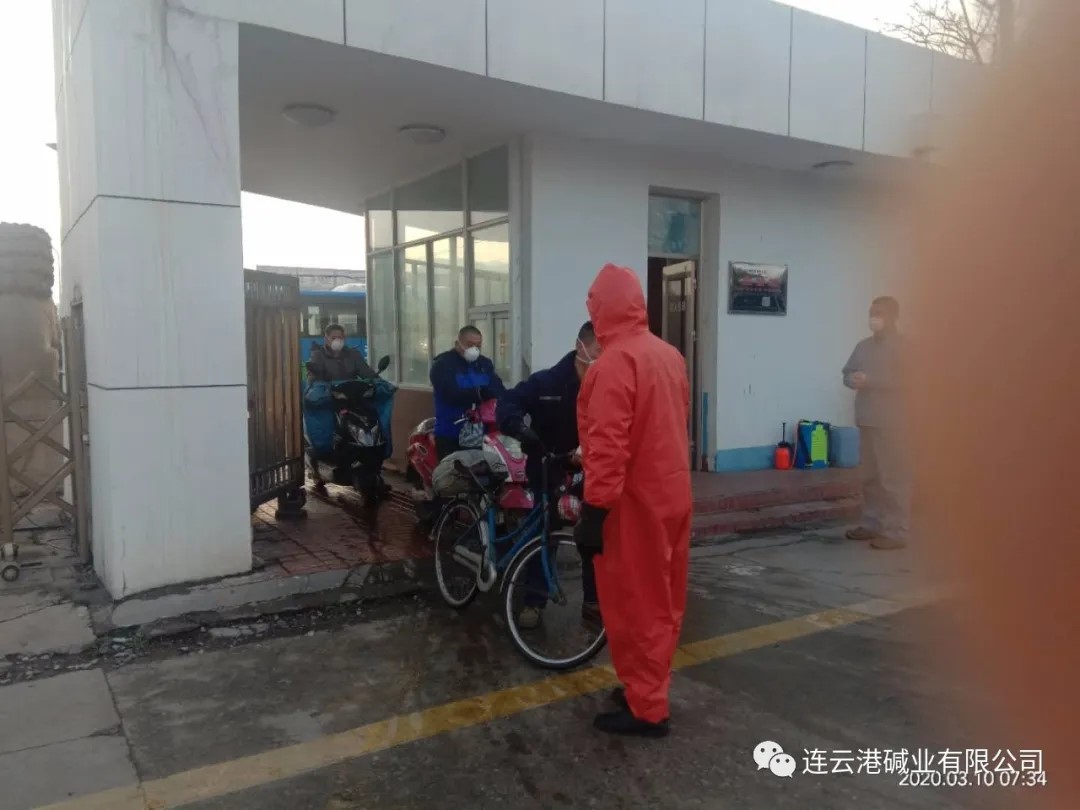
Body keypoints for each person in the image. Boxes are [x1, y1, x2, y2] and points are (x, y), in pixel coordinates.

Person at [574, 263, 691, 738]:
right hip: (672, 495)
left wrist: (593, 512)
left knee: (636, 605)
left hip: (633, 504)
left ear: (602, 309)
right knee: (664, 601)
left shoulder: (613, 365)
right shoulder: (668, 355)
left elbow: (608, 446)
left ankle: (647, 708)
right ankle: (647, 687)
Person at [498, 321, 601, 629]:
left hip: (589, 471)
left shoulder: (607, 385)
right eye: (599, 349)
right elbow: (509, 403)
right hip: (549, 468)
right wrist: (521, 430)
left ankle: (593, 603)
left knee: (593, 537)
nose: (604, 357)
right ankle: (534, 600)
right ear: (580, 346)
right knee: (544, 535)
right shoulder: (547, 383)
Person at [842, 296, 909, 551]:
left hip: (894, 422)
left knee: (892, 478)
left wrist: (872, 381)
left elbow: (911, 381)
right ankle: (872, 524)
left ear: (893, 317)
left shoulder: (904, 347)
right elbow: (846, 372)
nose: (873, 319)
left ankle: (896, 531)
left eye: (879, 314)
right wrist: (852, 379)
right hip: (867, 419)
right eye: (871, 313)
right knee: (870, 477)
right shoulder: (863, 347)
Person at [429, 326, 505, 460]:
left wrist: (478, 390)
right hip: (451, 432)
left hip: (482, 434)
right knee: (451, 471)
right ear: (457, 344)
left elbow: (498, 389)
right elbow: (452, 393)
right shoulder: (443, 364)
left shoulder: (484, 364)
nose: (474, 349)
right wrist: (481, 390)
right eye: (470, 345)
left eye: (478, 346)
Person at [306, 323, 374, 383]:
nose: (337, 340)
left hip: (350, 391)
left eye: (340, 337)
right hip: (328, 392)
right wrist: (313, 373)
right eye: (333, 338)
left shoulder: (353, 354)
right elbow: (313, 381)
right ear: (326, 339)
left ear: (344, 338)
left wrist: (375, 379)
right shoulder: (318, 355)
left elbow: (368, 374)